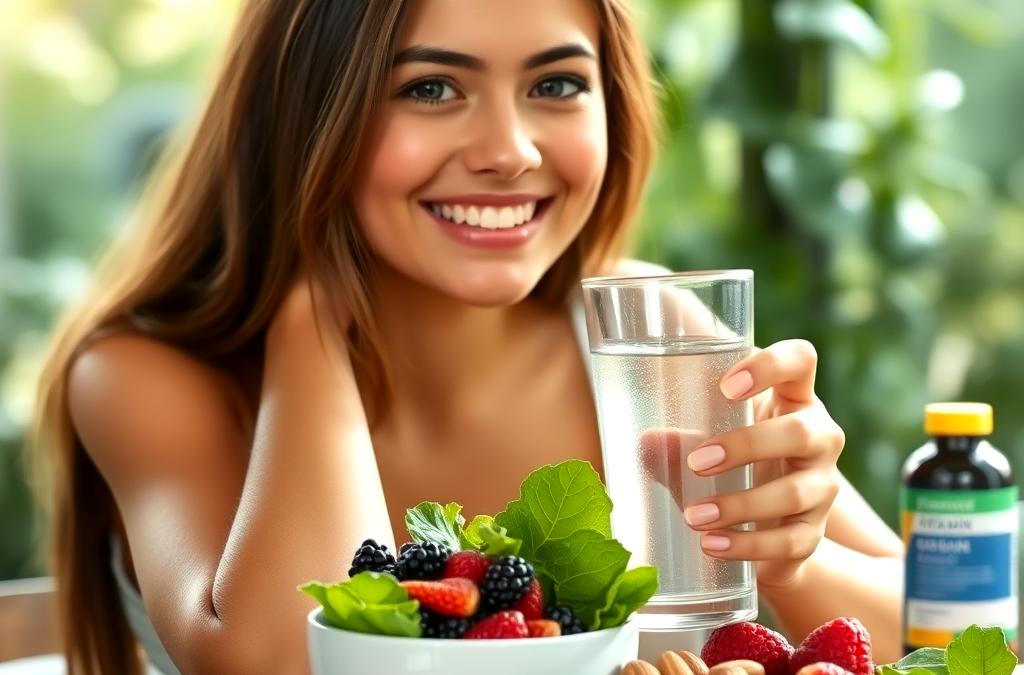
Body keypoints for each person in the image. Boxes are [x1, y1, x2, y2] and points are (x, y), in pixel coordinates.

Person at [30, 0, 905, 673]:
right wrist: (309, 324)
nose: (508, 150)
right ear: (305, 115)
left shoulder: (651, 333)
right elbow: (285, 660)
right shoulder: (143, 374)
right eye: (430, 88)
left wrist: (791, 553)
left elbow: (951, 628)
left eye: (556, 84)